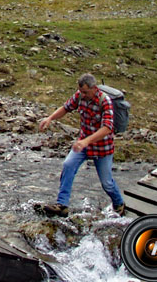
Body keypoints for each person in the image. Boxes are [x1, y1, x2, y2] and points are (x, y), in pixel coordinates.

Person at [39, 73, 125, 217]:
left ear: (94, 88)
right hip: (82, 145)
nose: (83, 95)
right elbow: (66, 107)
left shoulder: (105, 101)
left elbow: (107, 128)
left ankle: (119, 204)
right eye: (81, 91)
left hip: (102, 148)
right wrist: (50, 118)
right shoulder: (79, 96)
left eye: (85, 92)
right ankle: (62, 205)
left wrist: (86, 141)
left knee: (107, 183)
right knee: (68, 165)